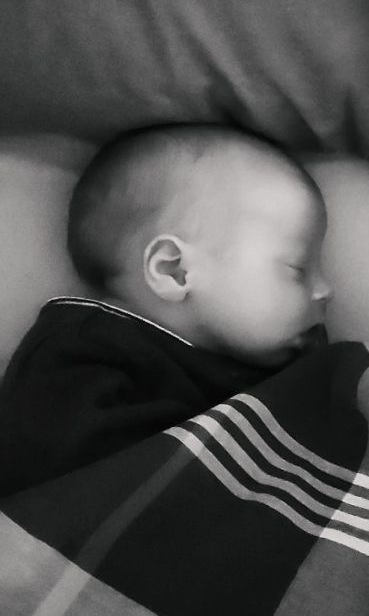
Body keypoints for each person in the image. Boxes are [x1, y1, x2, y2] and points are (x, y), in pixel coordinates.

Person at [0, 123, 331, 495]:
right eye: (297, 268)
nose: (325, 291)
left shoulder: (269, 363)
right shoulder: (78, 359)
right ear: (175, 270)